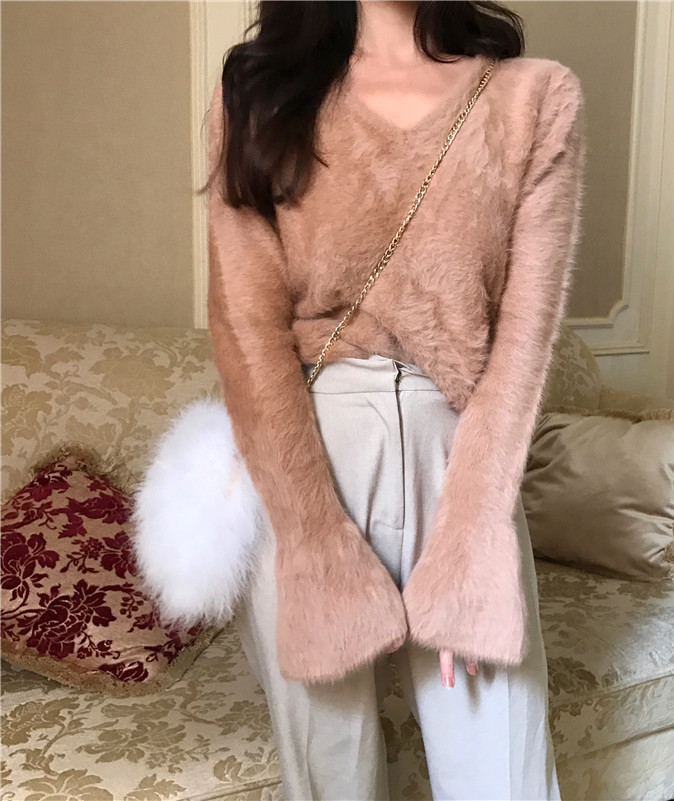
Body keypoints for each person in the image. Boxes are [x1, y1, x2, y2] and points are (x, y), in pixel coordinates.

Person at [203, 1, 586, 798]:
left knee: (504, 777)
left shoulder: (532, 96)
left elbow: (524, 338)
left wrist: (473, 538)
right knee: (328, 775)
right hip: (306, 457)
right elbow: (246, 326)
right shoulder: (260, 94)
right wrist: (311, 536)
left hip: (461, 458)